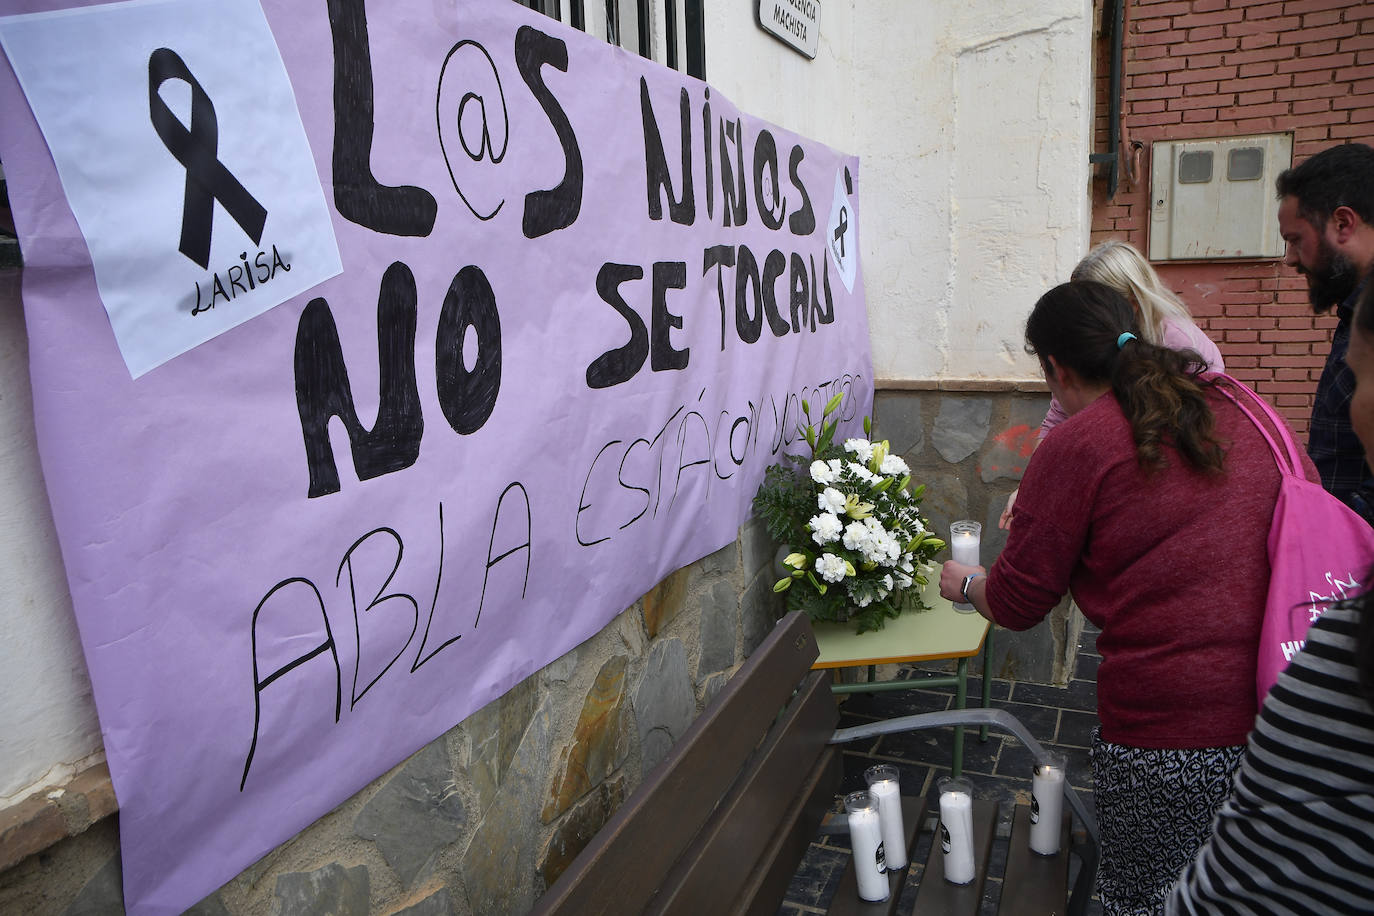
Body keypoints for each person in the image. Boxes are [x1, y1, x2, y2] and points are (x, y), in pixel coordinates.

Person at [940, 280, 1315, 915]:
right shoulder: (1240, 402)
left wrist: (968, 583)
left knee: (1144, 897)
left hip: (1169, 732)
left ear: (1055, 368)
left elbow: (1019, 600)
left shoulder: (1078, 444)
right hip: (1292, 708)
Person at [1168, 280, 1374, 915]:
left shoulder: (1349, 655)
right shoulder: (1251, 412)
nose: (1353, 409)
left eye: (1358, 382)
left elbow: (1232, 893)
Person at [1000, 240, 1223, 528]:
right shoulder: (1089, 345)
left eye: (1091, 306)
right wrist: (1030, 488)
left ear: (1129, 302)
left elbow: (1202, 432)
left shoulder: (1181, 346)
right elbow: (1057, 418)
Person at [1275, 141, 1374, 522]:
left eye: (1295, 239)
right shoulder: (1355, 313)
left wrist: (1319, 531)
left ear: (1343, 224)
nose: (1289, 259)